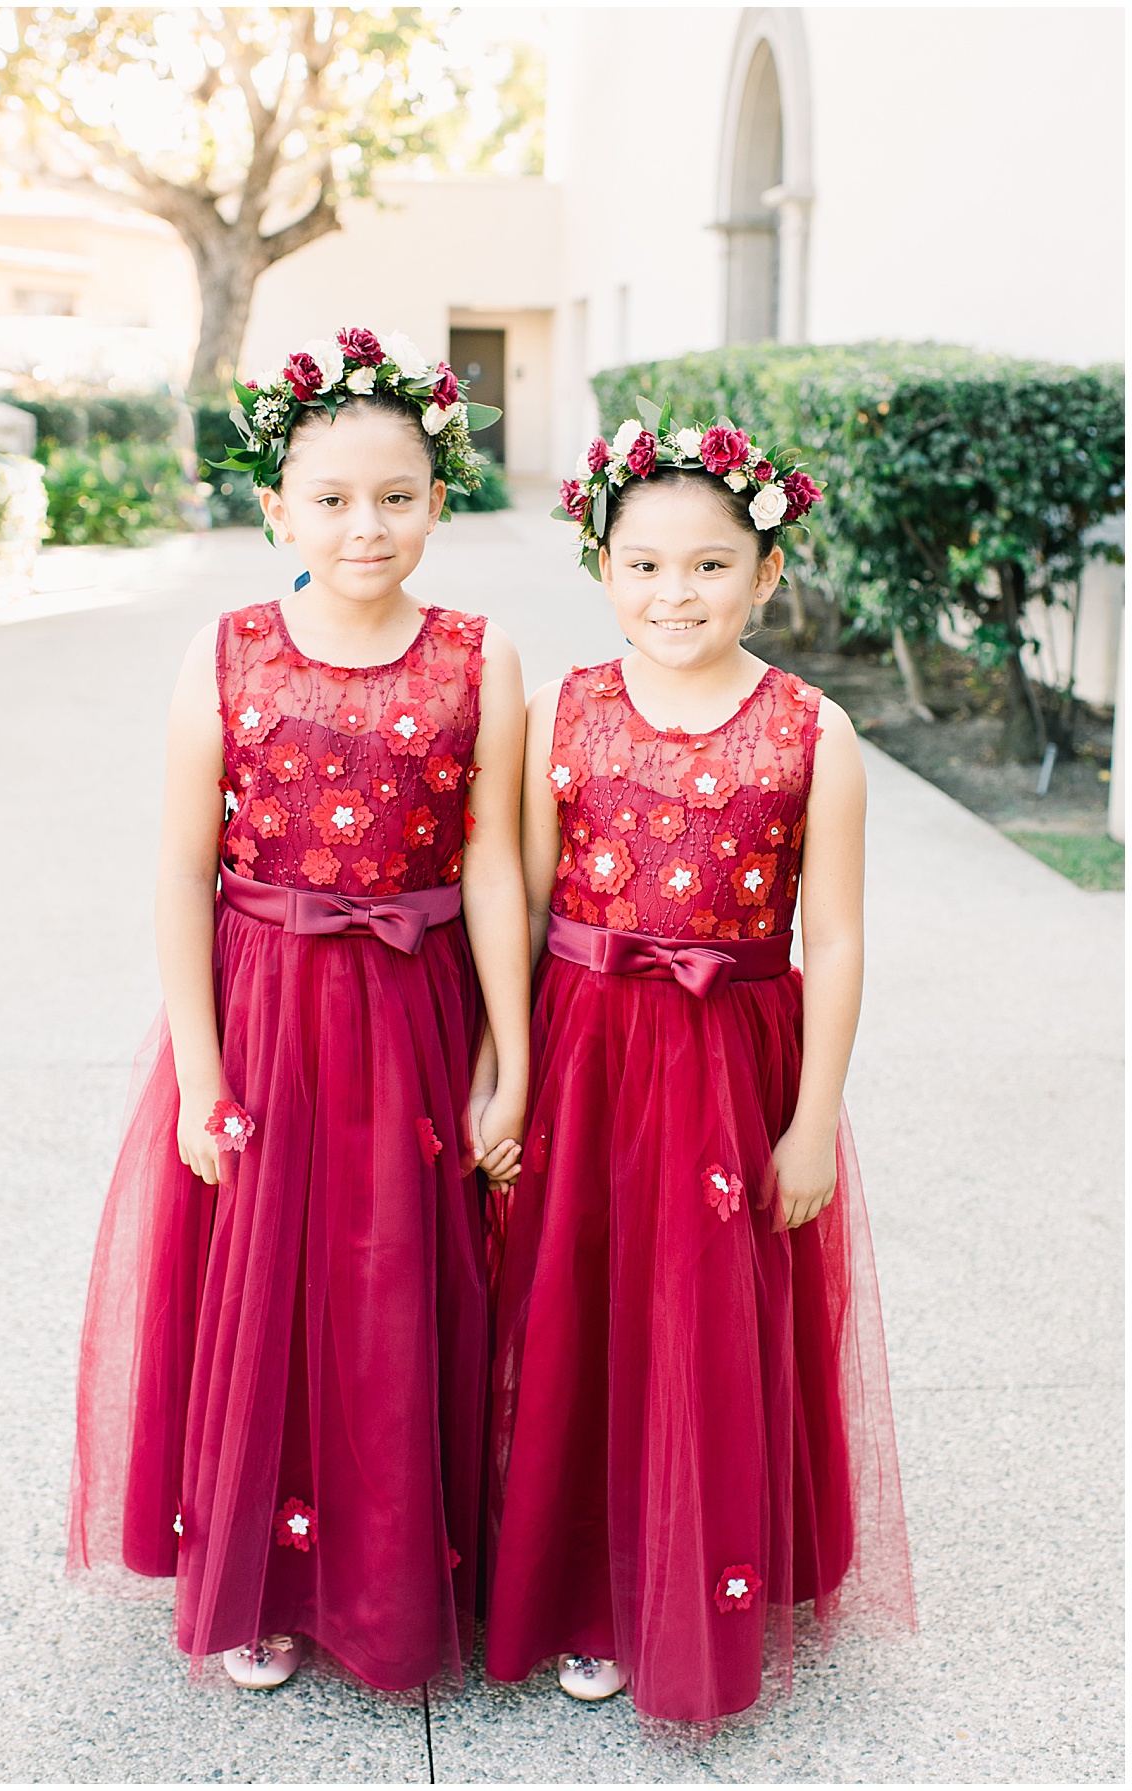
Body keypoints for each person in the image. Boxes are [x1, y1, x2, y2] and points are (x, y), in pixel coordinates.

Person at [68, 327, 529, 1694]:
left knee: (402, 1280)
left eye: (396, 495)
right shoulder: (229, 652)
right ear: (274, 506)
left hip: (417, 1009)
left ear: (440, 501)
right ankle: (265, 1569)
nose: (365, 524)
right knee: (268, 1291)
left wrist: (508, 1052)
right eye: (329, 498)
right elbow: (180, 868)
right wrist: (203, 1075)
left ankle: (409, 1566)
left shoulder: (477, 655)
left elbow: (497, 857)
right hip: (267, 1011)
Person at [485, 404, 914, 1734]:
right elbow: (523, 890)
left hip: (730, 1061)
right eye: (646, 565)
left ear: (768, 569)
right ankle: (590, 1589)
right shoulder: (567, 707)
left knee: (699, 1321)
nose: (677, 593)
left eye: (711, 564)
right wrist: (509, 1067)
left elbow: (833, 939)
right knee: (581, 1312)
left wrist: (808, 1122)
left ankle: (698, 1576)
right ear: (602, 569)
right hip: (587, 1047)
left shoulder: (811, 731)